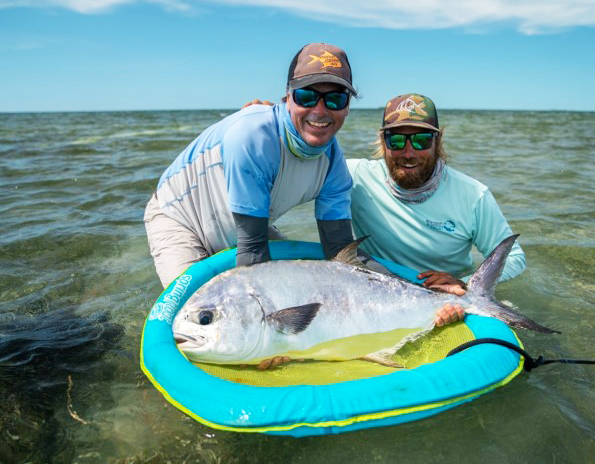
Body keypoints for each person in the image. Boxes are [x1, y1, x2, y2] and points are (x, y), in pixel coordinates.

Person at [144, 43, 359, 290]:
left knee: (300, 287)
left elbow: (340, 252)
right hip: (180, 219)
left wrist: (403, 280)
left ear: (347, 106)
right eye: (307, 97)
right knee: (196, 311)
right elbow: (253, 254)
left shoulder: (334, 166)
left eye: (335, 99)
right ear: (287, 97)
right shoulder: (252, 136)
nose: (319, 111)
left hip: (246, 229)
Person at [346, 94, 526, 326]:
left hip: (450, 302)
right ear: (383, 143)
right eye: (397, 141)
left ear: (437, 141)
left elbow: (515, 258)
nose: (408, 153)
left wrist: (463, 283)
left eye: (421, 141)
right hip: (382, 300)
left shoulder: (473, 195)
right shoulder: (354, 176)